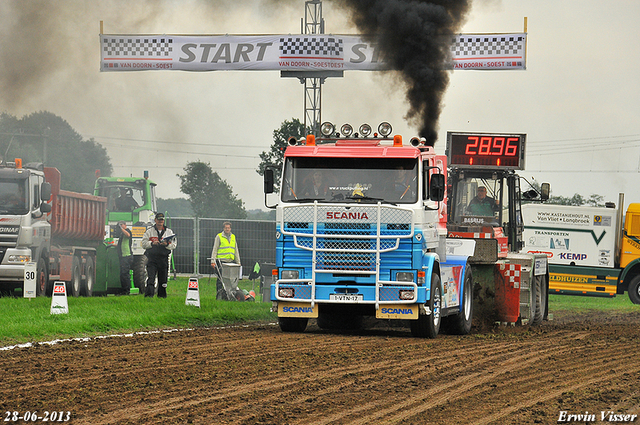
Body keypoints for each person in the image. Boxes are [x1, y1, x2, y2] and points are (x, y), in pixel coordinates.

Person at [141, 212, 176, 298]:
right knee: (151, 278)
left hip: (163, 258)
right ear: (155, 220)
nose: (160, 221)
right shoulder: (149, 231)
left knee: (163, 279)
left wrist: (166, 244)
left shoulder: (169, 232)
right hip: (152, 258)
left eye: (162, 220)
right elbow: (143, 243)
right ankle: (149, 296)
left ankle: (162, 296)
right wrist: (152, 243)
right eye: (159, 219)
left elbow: (174, 245)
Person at [210, 221, 241, 300]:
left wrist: (238, 262)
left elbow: (236, 250)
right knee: (221, 279)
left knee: (230, 280)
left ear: (230, 228)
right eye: (226, 228)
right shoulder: (219, 236)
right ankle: (219, 295)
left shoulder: (233, 237)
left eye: (229, 228)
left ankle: (229, 294)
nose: (227, 229)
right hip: (221, 262)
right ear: (223, 228)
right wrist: (213, 261)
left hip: (230, 262)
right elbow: (215, 249)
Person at [115, 220, 133, 295]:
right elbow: (121, 244)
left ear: (125, 225)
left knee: (125, 274)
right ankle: (124, 290)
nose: (120, 226)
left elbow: (128, 235)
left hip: (127, 256)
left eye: (121, 225)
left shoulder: (127, 231)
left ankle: (126, 291)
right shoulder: (121, 234)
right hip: (123, 256)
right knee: (122, 274)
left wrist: (121, 229)